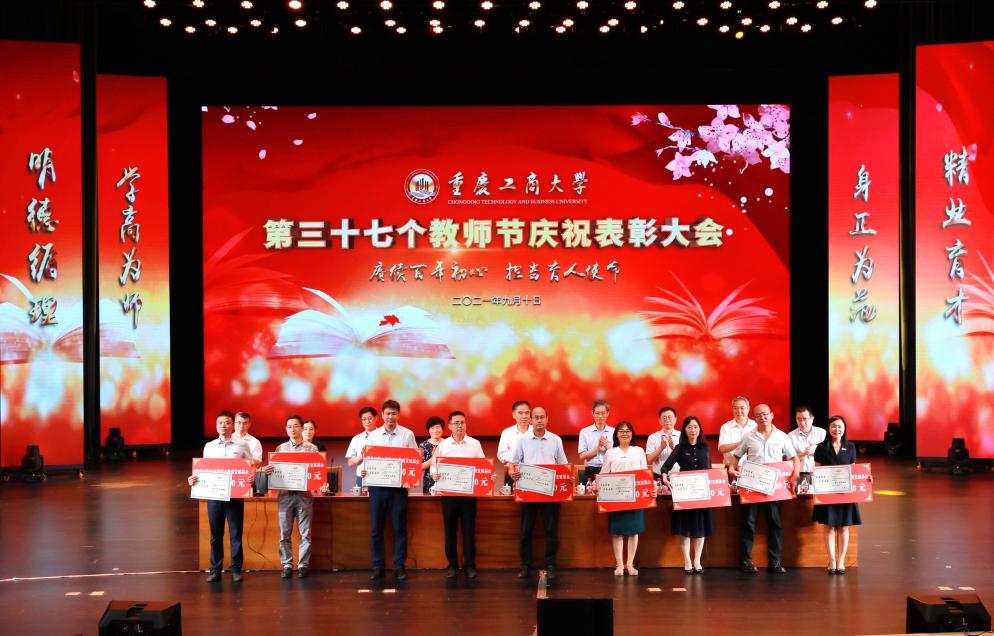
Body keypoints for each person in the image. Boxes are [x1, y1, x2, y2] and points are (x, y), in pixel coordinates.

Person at [728, 403, 800, 574]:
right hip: (751, 486)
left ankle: (775, 562)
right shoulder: (748, 436)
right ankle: (746, 561)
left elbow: (795, 459)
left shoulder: (782, 436)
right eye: (758, 415)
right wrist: (731, 468)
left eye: (765, 414)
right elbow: (736, 457)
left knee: (775, 523)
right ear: (754, 418)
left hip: (775, 488)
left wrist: (795, 475)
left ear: (771, 415)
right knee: (748, 523)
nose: (762, 417)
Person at [187, 410, 252, 583]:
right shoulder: (209, 446)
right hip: (214, 497)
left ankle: (236, 569)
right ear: (216, 426)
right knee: (216, 535)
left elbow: (250, 466)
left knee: (235, 534)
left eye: (227, 422)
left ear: (233, 425)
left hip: (235, 496)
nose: (224, 425)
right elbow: (203, 470)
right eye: (220, 423)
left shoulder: (242, 445)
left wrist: (250, 477)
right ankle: (215, 570)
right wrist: (194, 479)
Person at [263, 415, 328, 579]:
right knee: (284, 533)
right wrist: (269, 471)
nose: (292, 429)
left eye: (296, 426)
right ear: (286, 429)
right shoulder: (280, 449)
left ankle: (303, 565)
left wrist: (320, 481)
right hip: (285, 496)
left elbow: (317, 471)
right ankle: (287, 564)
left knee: (305, 533)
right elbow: (276, 473)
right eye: (289, 426)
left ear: (301, 428)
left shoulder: (311, 449)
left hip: (304, 496)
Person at [509, 406, 568, 580]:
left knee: (551, 531)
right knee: (526, 530)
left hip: (551, 494)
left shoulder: (555, 439)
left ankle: (550, 565)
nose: (539, 420)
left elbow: (563, 464)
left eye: (542, 417)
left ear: (547, 419)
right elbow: (513, 463)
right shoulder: (521, 440)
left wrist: (568, 476)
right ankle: (526, 566)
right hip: (528, 492)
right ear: (531, 420)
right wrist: (512, 472)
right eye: (536, 417)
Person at [363, 399, 418, 581]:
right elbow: (367, 461)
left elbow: (414, 460)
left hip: (398, 489)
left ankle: (400, 566)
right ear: (382, 415)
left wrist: (411, 477)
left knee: (399, 528)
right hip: (377, 489)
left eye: (394, 413)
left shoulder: (407, 435)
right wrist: (364, 470)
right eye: (387, 413)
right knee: (376, 529)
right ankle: (378, 566)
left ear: (398, 415)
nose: (390, 417)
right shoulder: (374, 436)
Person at [431, 410, 486, 579]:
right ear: (449, 426)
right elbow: (434, 467)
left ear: (466, 424)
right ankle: (452, 565)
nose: (459, 425)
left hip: (469, 496)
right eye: (456, 423)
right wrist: (434, 474)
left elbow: (483, 465)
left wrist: (487, 475)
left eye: (462, 422)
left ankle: (469, 565)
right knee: (450, 531)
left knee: (469, 531)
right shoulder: (443, 446)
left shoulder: (474, 444)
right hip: (448, 496)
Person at [660, 416, 714, 574]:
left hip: (702, 493)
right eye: (689, 427)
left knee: (700, 527)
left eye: (695, 427)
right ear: (684, 430)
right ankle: (687, 560)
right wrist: (665, 478)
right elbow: (665, 467)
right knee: (686, 528)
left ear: (699, 429)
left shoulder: (705, 448)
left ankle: (697, 560)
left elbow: (709, 470)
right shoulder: (680, 448)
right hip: (684, 493)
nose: (693, 430)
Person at [594, 420, 646, 576]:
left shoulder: (639, 451)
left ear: (632, 434)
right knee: (617, 531)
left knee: (633, 532)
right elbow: (604, 473)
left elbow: (644, 473)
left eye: (628, 431)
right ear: (616, 434)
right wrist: (597, 485)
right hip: (615, 497)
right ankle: (619, 565)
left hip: (635, 497)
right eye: (621, 431)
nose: (625, 433)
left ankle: (630, 564)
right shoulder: (610, 452)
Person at [813, 415, 862, 575]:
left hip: (845, 494)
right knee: (829, 527)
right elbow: (817, 471)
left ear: (844, 428)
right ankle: (832, 560)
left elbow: (854, 470)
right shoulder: (821, 447)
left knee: (843, 527)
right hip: (827, 493)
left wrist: (866, 478)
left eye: (840, 426)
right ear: (828, 428)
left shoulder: (851, 446)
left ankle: (841, 561)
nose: (837, 429)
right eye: (833, 426)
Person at [577, 399, 615, 483]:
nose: (600, 416)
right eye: (597, 413)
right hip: (590, 470)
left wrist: (607, 446)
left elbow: (617, 455)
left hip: (609, 469)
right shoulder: (584, 432)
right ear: (593, 413)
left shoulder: (614, 432)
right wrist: (597, 449)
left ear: (607, 413)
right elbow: (582, 456)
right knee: (590, 491)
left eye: (603, 413)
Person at [497, 400, 532, 487]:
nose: (524, 416)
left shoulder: (536, 431)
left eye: (527, 413)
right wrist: (518, 457)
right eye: (520, 413)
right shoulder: (507, 432)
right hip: (513, 471)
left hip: (533, 471)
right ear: (514, 415)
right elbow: (501, 454)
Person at [717, 396, 757, 467]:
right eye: (736, 408)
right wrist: (741, 443)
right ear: (732, 409)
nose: (739, 411)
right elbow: (721, 448)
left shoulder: (756, 426)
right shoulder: (726, 427)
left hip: (752, 467)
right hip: (731, 467)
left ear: (748, 409)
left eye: (742, 408)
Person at [787, 405, 826, 476]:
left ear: (812, 419)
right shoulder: (791, 436)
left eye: (805, 419)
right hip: (799, 473)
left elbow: (829, 455)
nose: (802, 422)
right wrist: (805, 453)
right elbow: (789, 460)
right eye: (799, 419)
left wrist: (817, 449)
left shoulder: (822, 433)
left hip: (820, 473)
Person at [346, 406, 379, 488]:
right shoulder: (356, 439)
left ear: (376, 418)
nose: (367, 422)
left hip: (380, 477)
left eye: (370, 418)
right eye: (364, 419)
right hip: (361, 477)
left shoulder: (383, 435)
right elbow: (350, 463)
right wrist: (363, 455)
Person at [646, 406, 681, 479]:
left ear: (675, 419)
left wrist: (674, 448)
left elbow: (685, 459)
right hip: (658, 477)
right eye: (664, 418)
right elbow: (649, 460)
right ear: (660, 420)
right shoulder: (653, 437)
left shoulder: (681, 436)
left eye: (669, 417)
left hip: (678, 476)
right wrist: (661, 448)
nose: (667, 420)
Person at [420, 415, 445, 494]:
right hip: (429, 483)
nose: (435, 430)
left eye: (438, 427)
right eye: (432, 428)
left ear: (442, 429)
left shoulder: (448, 444)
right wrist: (433, 458)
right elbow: (419, 467)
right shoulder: (423, 445)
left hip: (446, 482)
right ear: (428, 430)